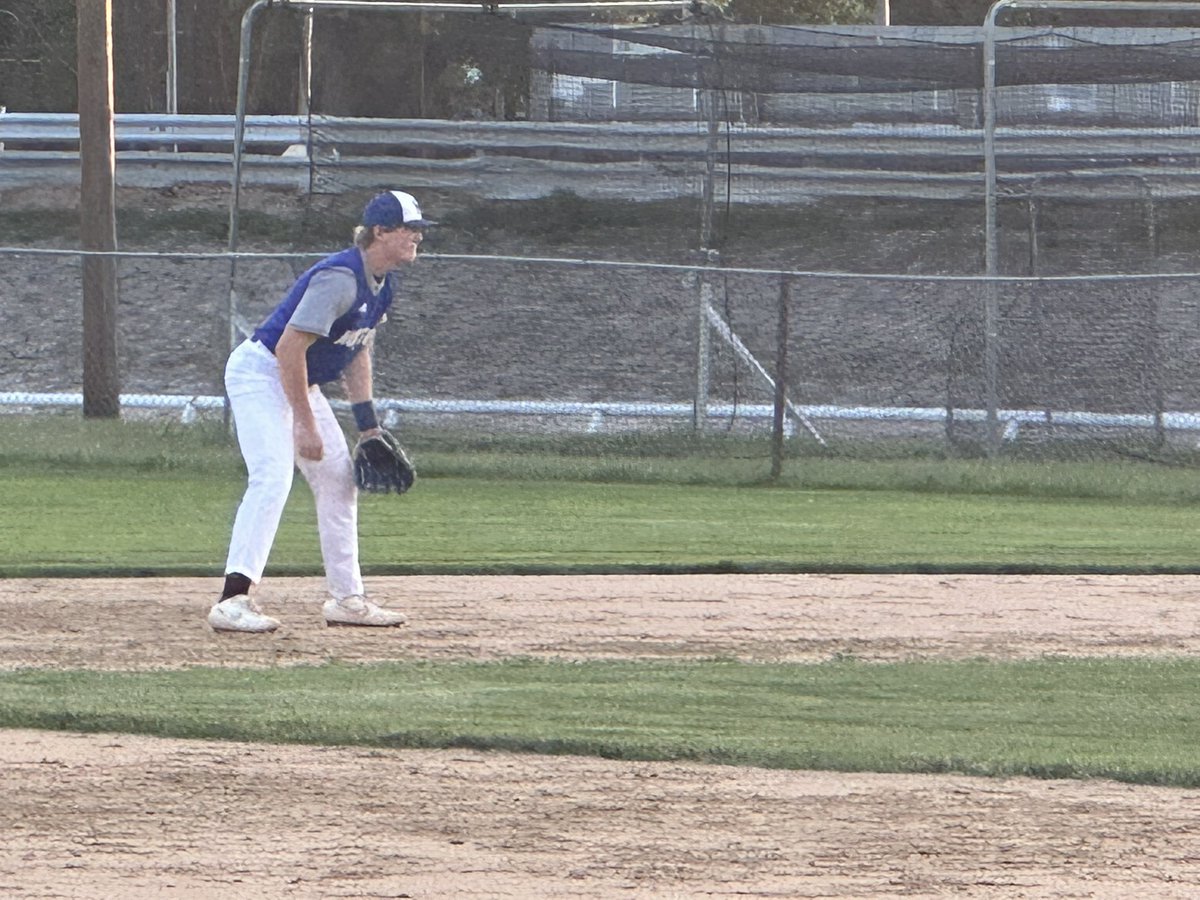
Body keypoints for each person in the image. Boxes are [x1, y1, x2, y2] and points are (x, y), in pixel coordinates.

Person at [207, 189, 433, 634]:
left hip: (298, 380)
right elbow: (289, 348)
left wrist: (368, 428)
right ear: (380, 231)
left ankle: (347, 600)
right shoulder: (340, 279)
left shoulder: (382, 284)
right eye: (410, 229)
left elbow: (357, 349)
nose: (418, 238)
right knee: (272, 476)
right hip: (261, 373)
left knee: (338, 479)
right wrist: (305, 424)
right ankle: (232, 601)